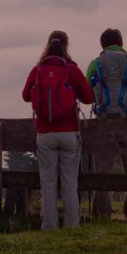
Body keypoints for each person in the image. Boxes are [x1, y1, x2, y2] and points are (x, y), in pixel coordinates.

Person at [22, 31, 94, 230]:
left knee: (48, 183)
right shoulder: (71, 70)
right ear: (66, 46)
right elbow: (89, 97)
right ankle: (72, 225)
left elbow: (25, 95)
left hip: (45, 134)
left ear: (47, 46)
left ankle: (49, 226)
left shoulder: (38, 70)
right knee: (70, 183)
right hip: (69, 133)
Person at [86, 28, 127, 220]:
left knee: (102, 172)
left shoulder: (95, 63)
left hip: (104, 126)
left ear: (102, 45)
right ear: (122, 43)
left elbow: (88, 95)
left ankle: (101, 214)